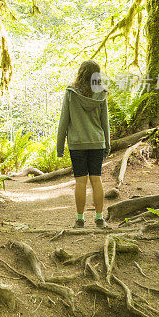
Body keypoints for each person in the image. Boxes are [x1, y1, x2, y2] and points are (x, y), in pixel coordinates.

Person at [56, 60, 110, 228]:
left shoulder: (71, 93)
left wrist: (60, 147)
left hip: (77, 143)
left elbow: (64, 121)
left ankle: (80, 219)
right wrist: (107, 145)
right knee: (96, 179)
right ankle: (99, 218)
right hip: (96, 142)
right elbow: (105, 122)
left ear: (80, 73)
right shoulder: (101, 94)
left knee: (81, 181)